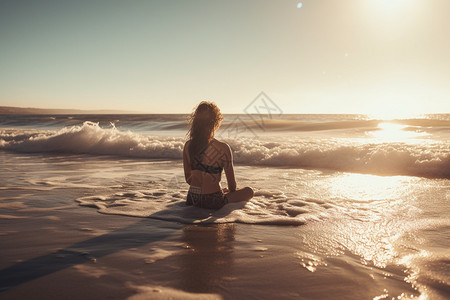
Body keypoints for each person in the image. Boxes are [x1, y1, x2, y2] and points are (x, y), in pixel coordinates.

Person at [183, 101, 254, 209]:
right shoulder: (223, 148)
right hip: (213, 200)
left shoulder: (188, 146)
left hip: (192, 198)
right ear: (216, 122)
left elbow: (189, 180)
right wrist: (223, 191)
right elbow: (232, 186)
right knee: (249, 191)